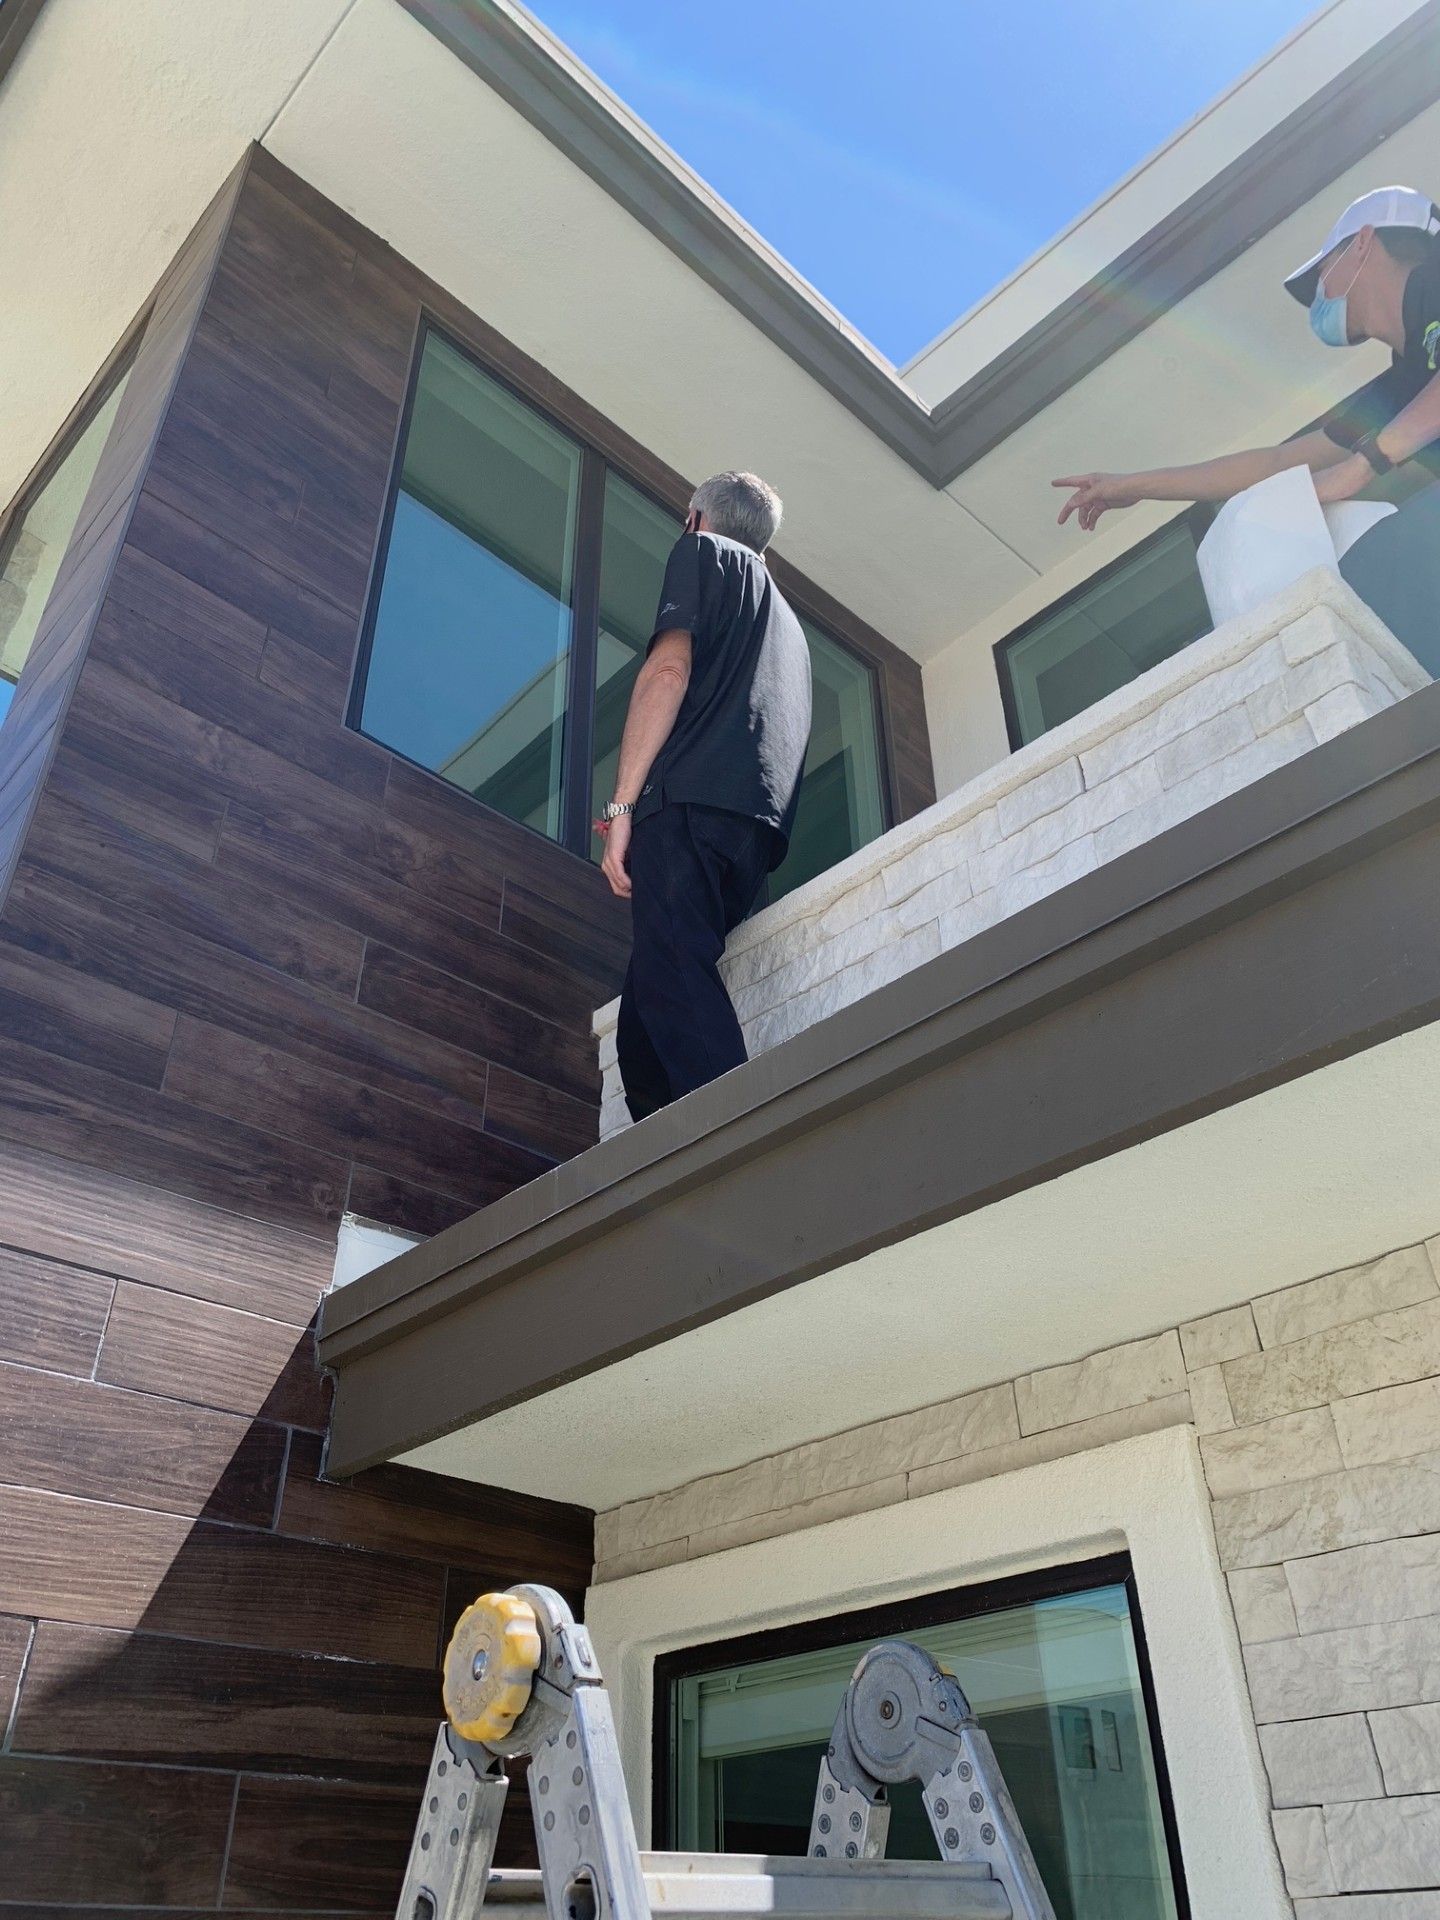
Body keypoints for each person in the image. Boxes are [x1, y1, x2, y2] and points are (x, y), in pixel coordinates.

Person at [1052, 186, 1440, 674]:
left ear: (1363, 242)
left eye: (1322, 274)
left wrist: (1364, 464)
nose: (1320, 296)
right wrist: (1134, 486)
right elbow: (1276, 462)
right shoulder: (1404, 383)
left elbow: (1365, 456)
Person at [597, 471, 812, 1123]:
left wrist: (623, 806)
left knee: (675, 977)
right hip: (755, 830)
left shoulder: (701, 552)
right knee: (649, 1015)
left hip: (687, 805)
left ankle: (737, 1139)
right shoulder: (790, 626)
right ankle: (674, 1153)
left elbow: (668, 670)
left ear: (695, 518)